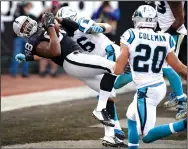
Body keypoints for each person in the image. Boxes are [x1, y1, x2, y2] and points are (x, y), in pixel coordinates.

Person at [13, 13, 127, 147]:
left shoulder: (45, 29)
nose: (27, 27)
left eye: (27, 23)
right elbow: (54, 51)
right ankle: (100, 109)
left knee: (109, 93)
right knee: (113, 67)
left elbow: (74, 26)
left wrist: (57, 20)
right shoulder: (33, 42)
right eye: (23, 27)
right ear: (21, 34)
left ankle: (110, 136)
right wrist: (50, 27)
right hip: (72, 59)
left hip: (76, 60)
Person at [113, 5, 187, 149]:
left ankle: (184, 125)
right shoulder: (165, 37)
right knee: (131, 117)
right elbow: (178, 67)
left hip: (147, 91)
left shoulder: (130, 34)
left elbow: (118, 69)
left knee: (146, 136)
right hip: (157, 85)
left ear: (138, 20)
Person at [56, 6, 131, 147]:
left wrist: (99, 27)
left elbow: (108, 27)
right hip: (97, 64)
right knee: (107, 93)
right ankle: (115, 130)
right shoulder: (63, 35)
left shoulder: (82, 22)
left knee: (129, 78)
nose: (66, 26)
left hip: (110, 54)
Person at [154, 1, 187, 120]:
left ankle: (182, 101)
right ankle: (177, 94)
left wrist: (166, 35)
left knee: (168, 67)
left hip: (174, 33)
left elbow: (180, 20)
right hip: (167, 32)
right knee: (170, 67)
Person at [10, 2, 34, 77]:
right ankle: (13, 72)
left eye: (29, 7)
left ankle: (25, 73)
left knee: (27, 55)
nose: (28, 9)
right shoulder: (18, 14)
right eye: (27, 7)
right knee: (16, 54)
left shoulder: (29, 16)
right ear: (23, 7)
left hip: (27, 38)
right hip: (18, 37)